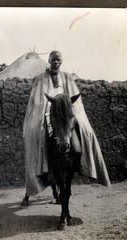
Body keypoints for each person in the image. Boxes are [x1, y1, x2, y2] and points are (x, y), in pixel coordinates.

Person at [22, 50, 110, 200]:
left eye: (58, 60)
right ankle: (36, 178)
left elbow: (76, 102)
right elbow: (36, 101)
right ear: (49, 61)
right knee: (33, 132)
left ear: (61, 62)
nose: (55, 62)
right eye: (53, 60)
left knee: (87, 131)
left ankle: (88, 166)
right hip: (47, 111)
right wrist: (46, 110)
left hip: (66, 112)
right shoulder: (40, 79)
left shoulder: (67, 78)